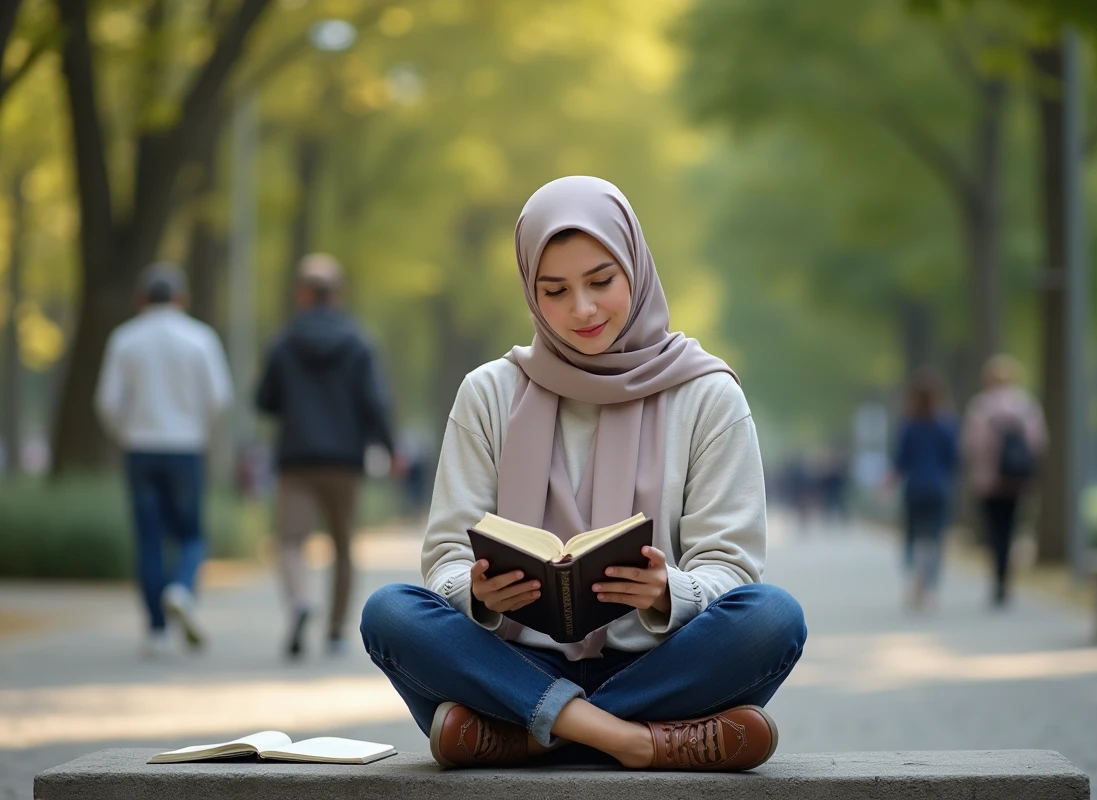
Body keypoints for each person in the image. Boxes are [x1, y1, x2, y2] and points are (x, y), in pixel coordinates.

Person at [359, 176, 807, 772]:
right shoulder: (488, 393)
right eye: (555, 291)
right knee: (389, 613)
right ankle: (635, 741)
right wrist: (478, 593)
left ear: (636, 270)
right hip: (515, 662)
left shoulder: (706, 395)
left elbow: (731, 565)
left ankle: (530, 734)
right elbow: (445, 557)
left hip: (661, 662)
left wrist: (669, 591)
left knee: (773, 618)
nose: (583, 309)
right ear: (530, 294)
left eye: (601, 281)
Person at [255, 254, 397, 659]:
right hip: (345, 460)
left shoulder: (283, 342)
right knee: (343, 545)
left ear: (301, 294)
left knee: (289, 541)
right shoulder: (358, 342)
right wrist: (389, 446)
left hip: (296, 458)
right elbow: (375, 402)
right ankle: (335, 632)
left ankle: (301, 600)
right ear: (338, 294)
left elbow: (264, 400)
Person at [94, 263, 232, 658]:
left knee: (148, 538)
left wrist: (125, 432)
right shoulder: (200, 338)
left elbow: (107, 401)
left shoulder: (124, 339)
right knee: (191, 534)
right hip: (185, 446)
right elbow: (219, 397)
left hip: (140, 448)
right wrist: (200, 429)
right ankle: (182, 588)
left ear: (140, 298)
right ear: (181, 298)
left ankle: (155, 630)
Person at [962, 354, 1047, 607]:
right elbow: (1038, 442)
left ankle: (997, 578)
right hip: (1017, 481)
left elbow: (971, 445)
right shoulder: (1026, 405)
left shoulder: (980, 406)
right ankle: (1006, 579)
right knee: (1011, 530)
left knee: (993, 532)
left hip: (987, 480)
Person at [892, 368, 958, 611]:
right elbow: (953, 458)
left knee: (912, 536)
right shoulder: (946, 424)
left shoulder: (908, 425)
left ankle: (914, 578)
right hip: (938, 487)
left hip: (914, 488)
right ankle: (930, 586)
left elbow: (900, 460)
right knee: (935, 537)